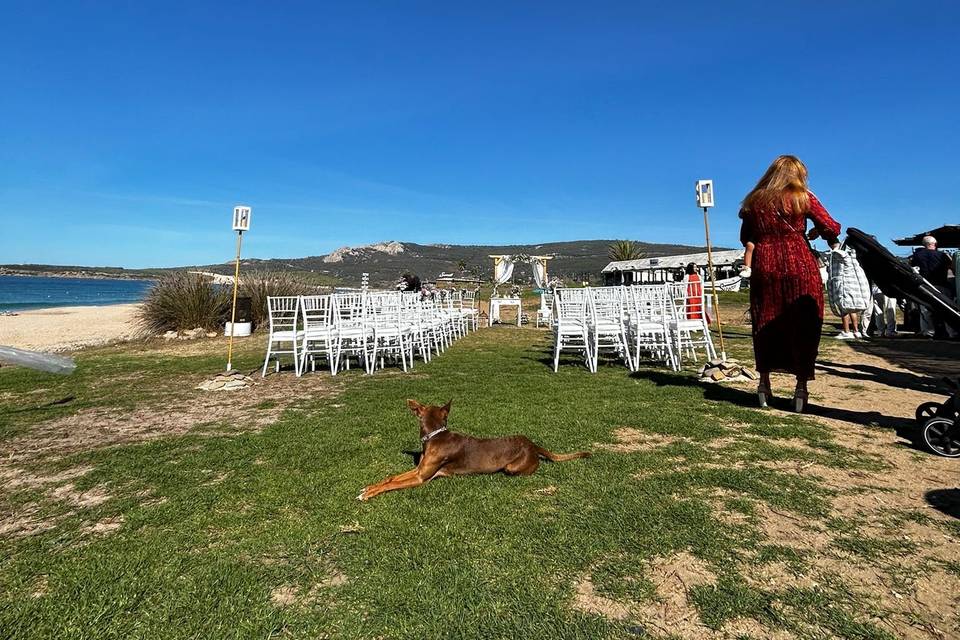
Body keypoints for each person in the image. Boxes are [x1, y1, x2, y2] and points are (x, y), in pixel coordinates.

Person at [739, 155, 841, 412]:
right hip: (799, 264)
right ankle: (800, 388)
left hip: (766, 264)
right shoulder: (803, 197)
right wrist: (819, 231)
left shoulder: (754, 201)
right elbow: (831, 226)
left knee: (765, 321)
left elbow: (746, 238)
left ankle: (763, 383)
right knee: (804, 323)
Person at [909, 236, 956, 338]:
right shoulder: (943, 255)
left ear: (923, 245)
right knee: (947, 309)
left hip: (926, 286)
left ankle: (928, 332)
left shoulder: (917, 256)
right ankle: (951, 332)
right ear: (935, 244)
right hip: (942, 284)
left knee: (926, 311)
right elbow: (952, 268)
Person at [827, 241, 871, 340]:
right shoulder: (852, 254)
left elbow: (842, 257)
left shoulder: (840, 253)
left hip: (844, 283)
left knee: (844, 309)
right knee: (851, 308)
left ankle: (847, 331)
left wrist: (835, 251)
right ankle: (856, 331)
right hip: (851, 283)